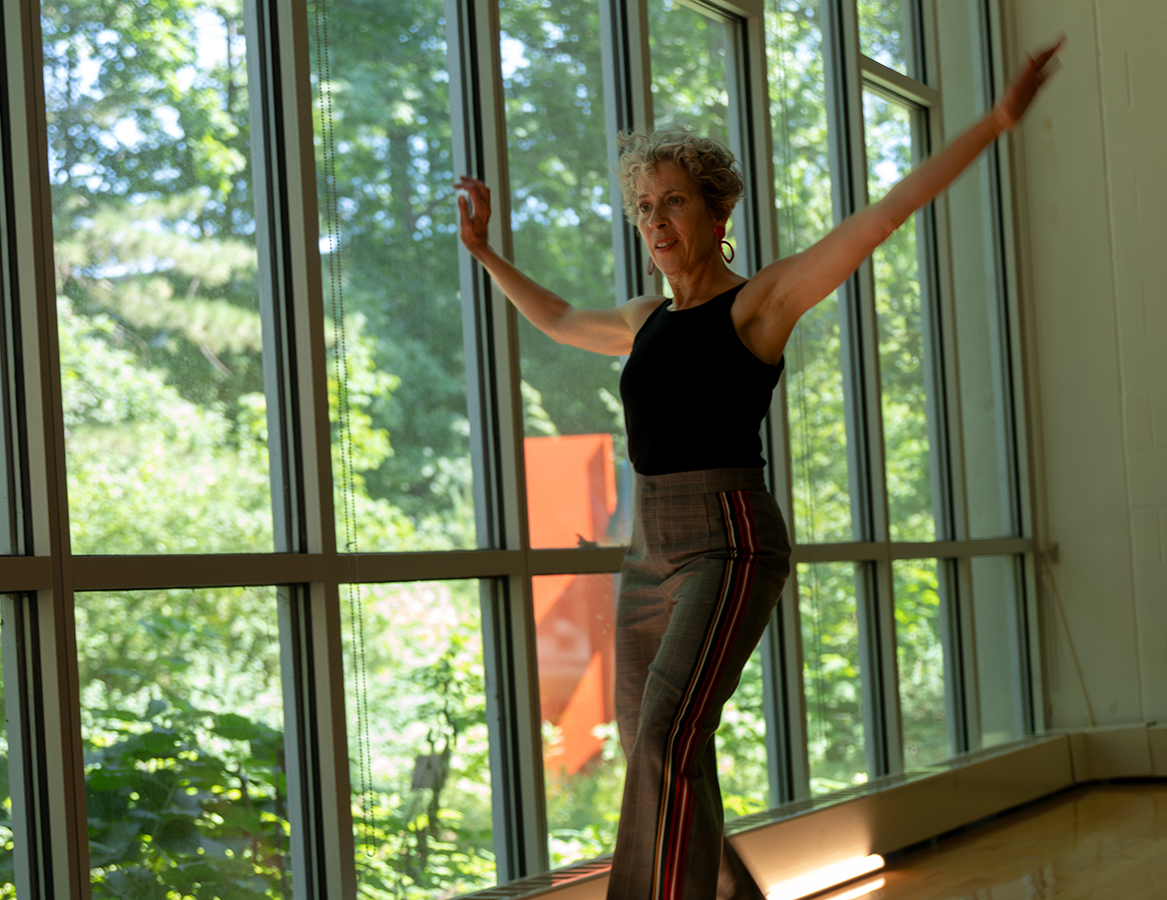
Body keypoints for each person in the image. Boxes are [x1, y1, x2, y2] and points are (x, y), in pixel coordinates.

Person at [455, 36, 1063, 900]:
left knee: (667, 734)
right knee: (654, 745)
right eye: (643, 208)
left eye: (672, 202)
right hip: (649, 547)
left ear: (714, 213)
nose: (657, 222)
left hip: (728, 541)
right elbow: (555, 318)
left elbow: (884, 214)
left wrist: (996, 121)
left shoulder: (760, 304)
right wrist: (484, 252)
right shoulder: (642, 318)